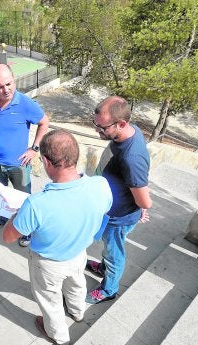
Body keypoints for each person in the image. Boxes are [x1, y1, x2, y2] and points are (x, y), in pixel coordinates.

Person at [2, 130, 112, 345]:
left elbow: (7, 237)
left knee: (50, 300)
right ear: (76, 156)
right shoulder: (100, 185)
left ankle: (59, 336)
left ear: (45, 161)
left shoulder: (36, 204)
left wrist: (16, 215)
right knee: (77, 283)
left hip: (49, 264)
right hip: (80, 252)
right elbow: (104, 211)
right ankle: (78, 311)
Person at [85, 96, 152, 304]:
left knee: (114, 253)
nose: (97, 130)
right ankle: (103, 267)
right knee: (107, 249)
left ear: (121, 124)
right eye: (95, 124)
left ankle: (109, 289)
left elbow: (145, 202)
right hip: (112, 209)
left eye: (101, 127)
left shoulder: (132, 159)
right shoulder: (127, 133)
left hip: (119, 218)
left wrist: (140, 207)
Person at [0, 63, 49, 244]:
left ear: (13, 80)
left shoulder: (25, 103)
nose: (6, 89)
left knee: (24, 199)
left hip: (19, 164)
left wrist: (34, 149)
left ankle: (26, 230)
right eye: (0, 86)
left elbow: (44, 122)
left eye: (9, 84)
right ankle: (1, 219)